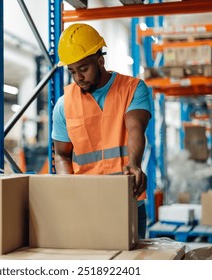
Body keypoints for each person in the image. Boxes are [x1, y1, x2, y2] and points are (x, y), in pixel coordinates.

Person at [52, 23, 152, 239]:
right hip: (86, 206)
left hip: (127, 201)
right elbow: (61, 154)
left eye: (83, 69)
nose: (78, 77)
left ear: (100, 61)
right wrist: (65, 189)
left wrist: (134, 164)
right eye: (72, 71)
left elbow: (136, 128)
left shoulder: (132, 89)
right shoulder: (64, 104)